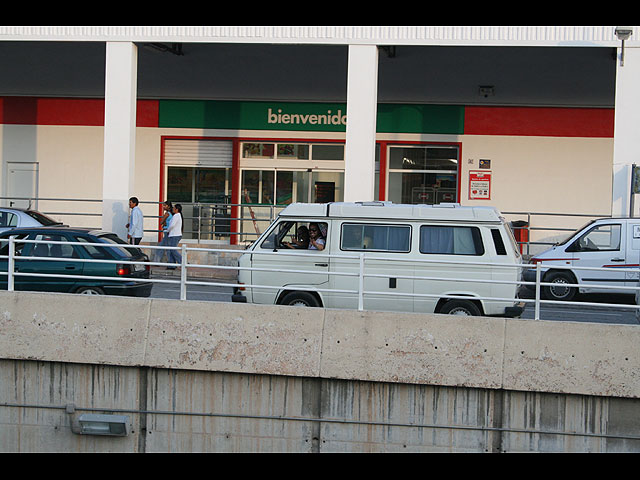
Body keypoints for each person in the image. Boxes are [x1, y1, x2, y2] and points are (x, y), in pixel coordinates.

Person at [165, 203, 183, 269]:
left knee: (173, 250)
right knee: (171, 250)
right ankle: (171, 265)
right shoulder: (177, 215)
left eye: (174, 208)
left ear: (177, 209)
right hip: (173, 234)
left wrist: (168, 230)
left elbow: (172, 225)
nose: (172, 209)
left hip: (175, 235)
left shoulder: (176, 216)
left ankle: (182, 262)